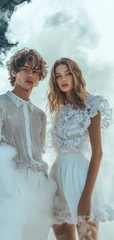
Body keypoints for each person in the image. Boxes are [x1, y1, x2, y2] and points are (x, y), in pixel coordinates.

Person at [0, 48, 56, 240]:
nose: (30, 74)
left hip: (40, 188)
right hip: (11, 183)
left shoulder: (40, 115)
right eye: (25, 69)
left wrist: (47, 186)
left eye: (35, 71)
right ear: (14, 72)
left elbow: (40, 152)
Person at [47, 57, 114, 240]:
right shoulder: (59, 111)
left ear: (76, 74)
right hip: (58, 178)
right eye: (58, 76)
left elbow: (98, 153)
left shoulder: (91, 106)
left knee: (88, 237)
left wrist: (86, 195)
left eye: (68, 73)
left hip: (80, 178)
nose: (63, 79)